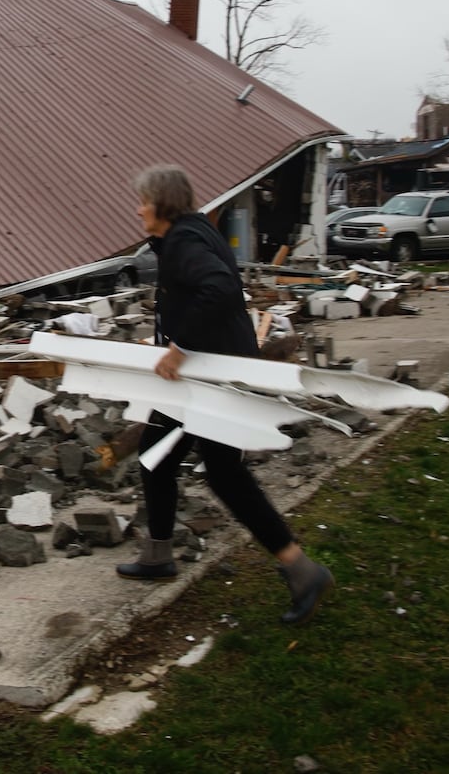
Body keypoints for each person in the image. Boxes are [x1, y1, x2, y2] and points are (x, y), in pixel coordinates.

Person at [118, 163, 334, 625]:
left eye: (142, 201)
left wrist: (179, 348)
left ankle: (301, 568)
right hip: (202, 376)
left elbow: (219, 290)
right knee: (156, 456)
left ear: (161, 204)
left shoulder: (183, 242)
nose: (138, 210)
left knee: (224, 476)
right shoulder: (189, 234)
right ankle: (158, 555)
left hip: (207, 378)